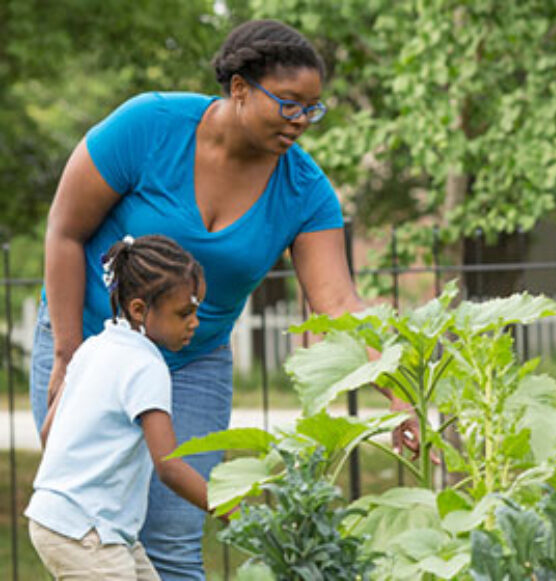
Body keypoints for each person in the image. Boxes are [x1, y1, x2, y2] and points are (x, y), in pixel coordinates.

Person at [30, 19, 418, 580]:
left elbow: (336, 301)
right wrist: (66, 354)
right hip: (86, 342)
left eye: (312, 108)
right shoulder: (149, 125)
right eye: (288, 104)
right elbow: (65, 231)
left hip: (188, 362)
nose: (301, 122)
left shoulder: (305, 191)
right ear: (239, 88)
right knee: (88, 520)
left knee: (173, 538)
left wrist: (401, 396)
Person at [28, 235, 220, 580]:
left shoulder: (94, 347)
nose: (195, 323)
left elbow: (49, 433)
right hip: (85, 532)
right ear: (138, 309)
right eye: (185, 312)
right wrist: (231, 505)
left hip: (69, 520)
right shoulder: (146, 365)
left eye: (197, 311)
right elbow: (170, 468)